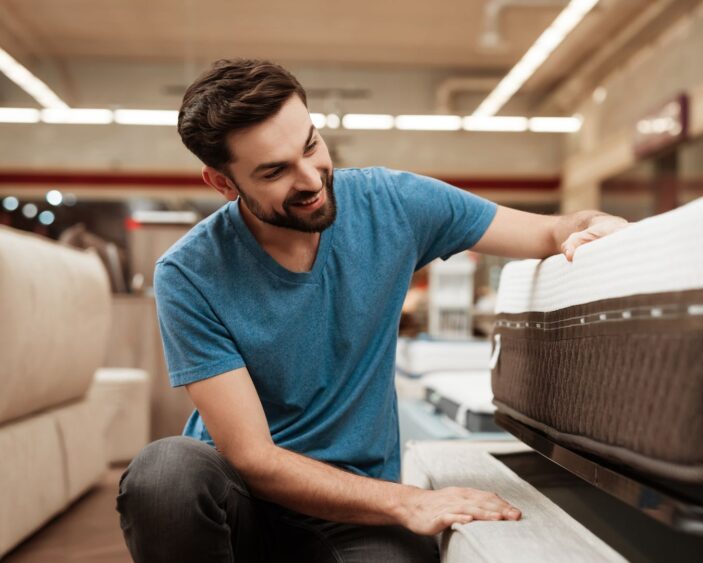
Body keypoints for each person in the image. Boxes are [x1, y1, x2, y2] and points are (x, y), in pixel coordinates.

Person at [115, 58, 628, 563]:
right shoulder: (189, 273)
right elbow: (253, 458)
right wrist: (411, 501)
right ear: (224, 184)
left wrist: (597, 227)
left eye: (311, 145)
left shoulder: (391, 204)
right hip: (241, 506)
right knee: (163, 474)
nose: (312, 179)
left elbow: (549, 230)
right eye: (275, 171)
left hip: (353, 511)